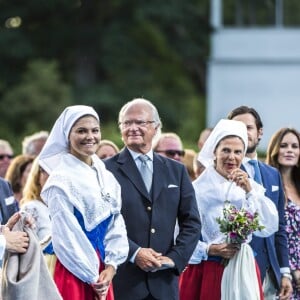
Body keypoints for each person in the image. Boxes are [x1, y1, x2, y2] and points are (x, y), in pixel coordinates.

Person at [104, 98, 201, 300]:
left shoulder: (177, 171)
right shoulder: (105, 170)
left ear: (156, 127)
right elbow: (101, 222)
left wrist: (174, 259)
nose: (133, 128)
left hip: (164, 284)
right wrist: (134, 253)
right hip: (123, 283)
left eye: (140, 122)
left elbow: (191, 222)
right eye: (126, 123)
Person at [179, 119, 279, 300]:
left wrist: (249, 191)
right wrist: (210, 249)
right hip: (209, 268)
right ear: (214, 152)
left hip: (244, 268)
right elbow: (178, 235)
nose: (231, 157)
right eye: (226, 150)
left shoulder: (251, 187)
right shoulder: (198, 189)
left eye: (237, 151)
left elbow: (269, 226)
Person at [39, 105, 129, 300]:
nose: (90, 136)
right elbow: (66, 235)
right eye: (81, 131)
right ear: (67, 136)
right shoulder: (60, 181)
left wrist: (111, 267)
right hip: (72, 268)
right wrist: (91, 276)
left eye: (94, 130)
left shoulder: (106, 176)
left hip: (101, 270)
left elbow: (116, 224)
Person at [228, 106, 293, 300]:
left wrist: (284, 271)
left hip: (271, 273)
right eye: (237, 128)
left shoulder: (273, 174)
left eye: (248, 127)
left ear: (259, 132)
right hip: (238, 270)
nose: (243, 132)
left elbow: (280, 227)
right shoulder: (225, 171)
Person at [266, 127, 300, 300]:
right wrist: (293, 270)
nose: (289, 150)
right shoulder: (267, 186)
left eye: (294, 146)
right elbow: (273, 233)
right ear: (274, 150)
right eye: (284, 145)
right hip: (281, 270)